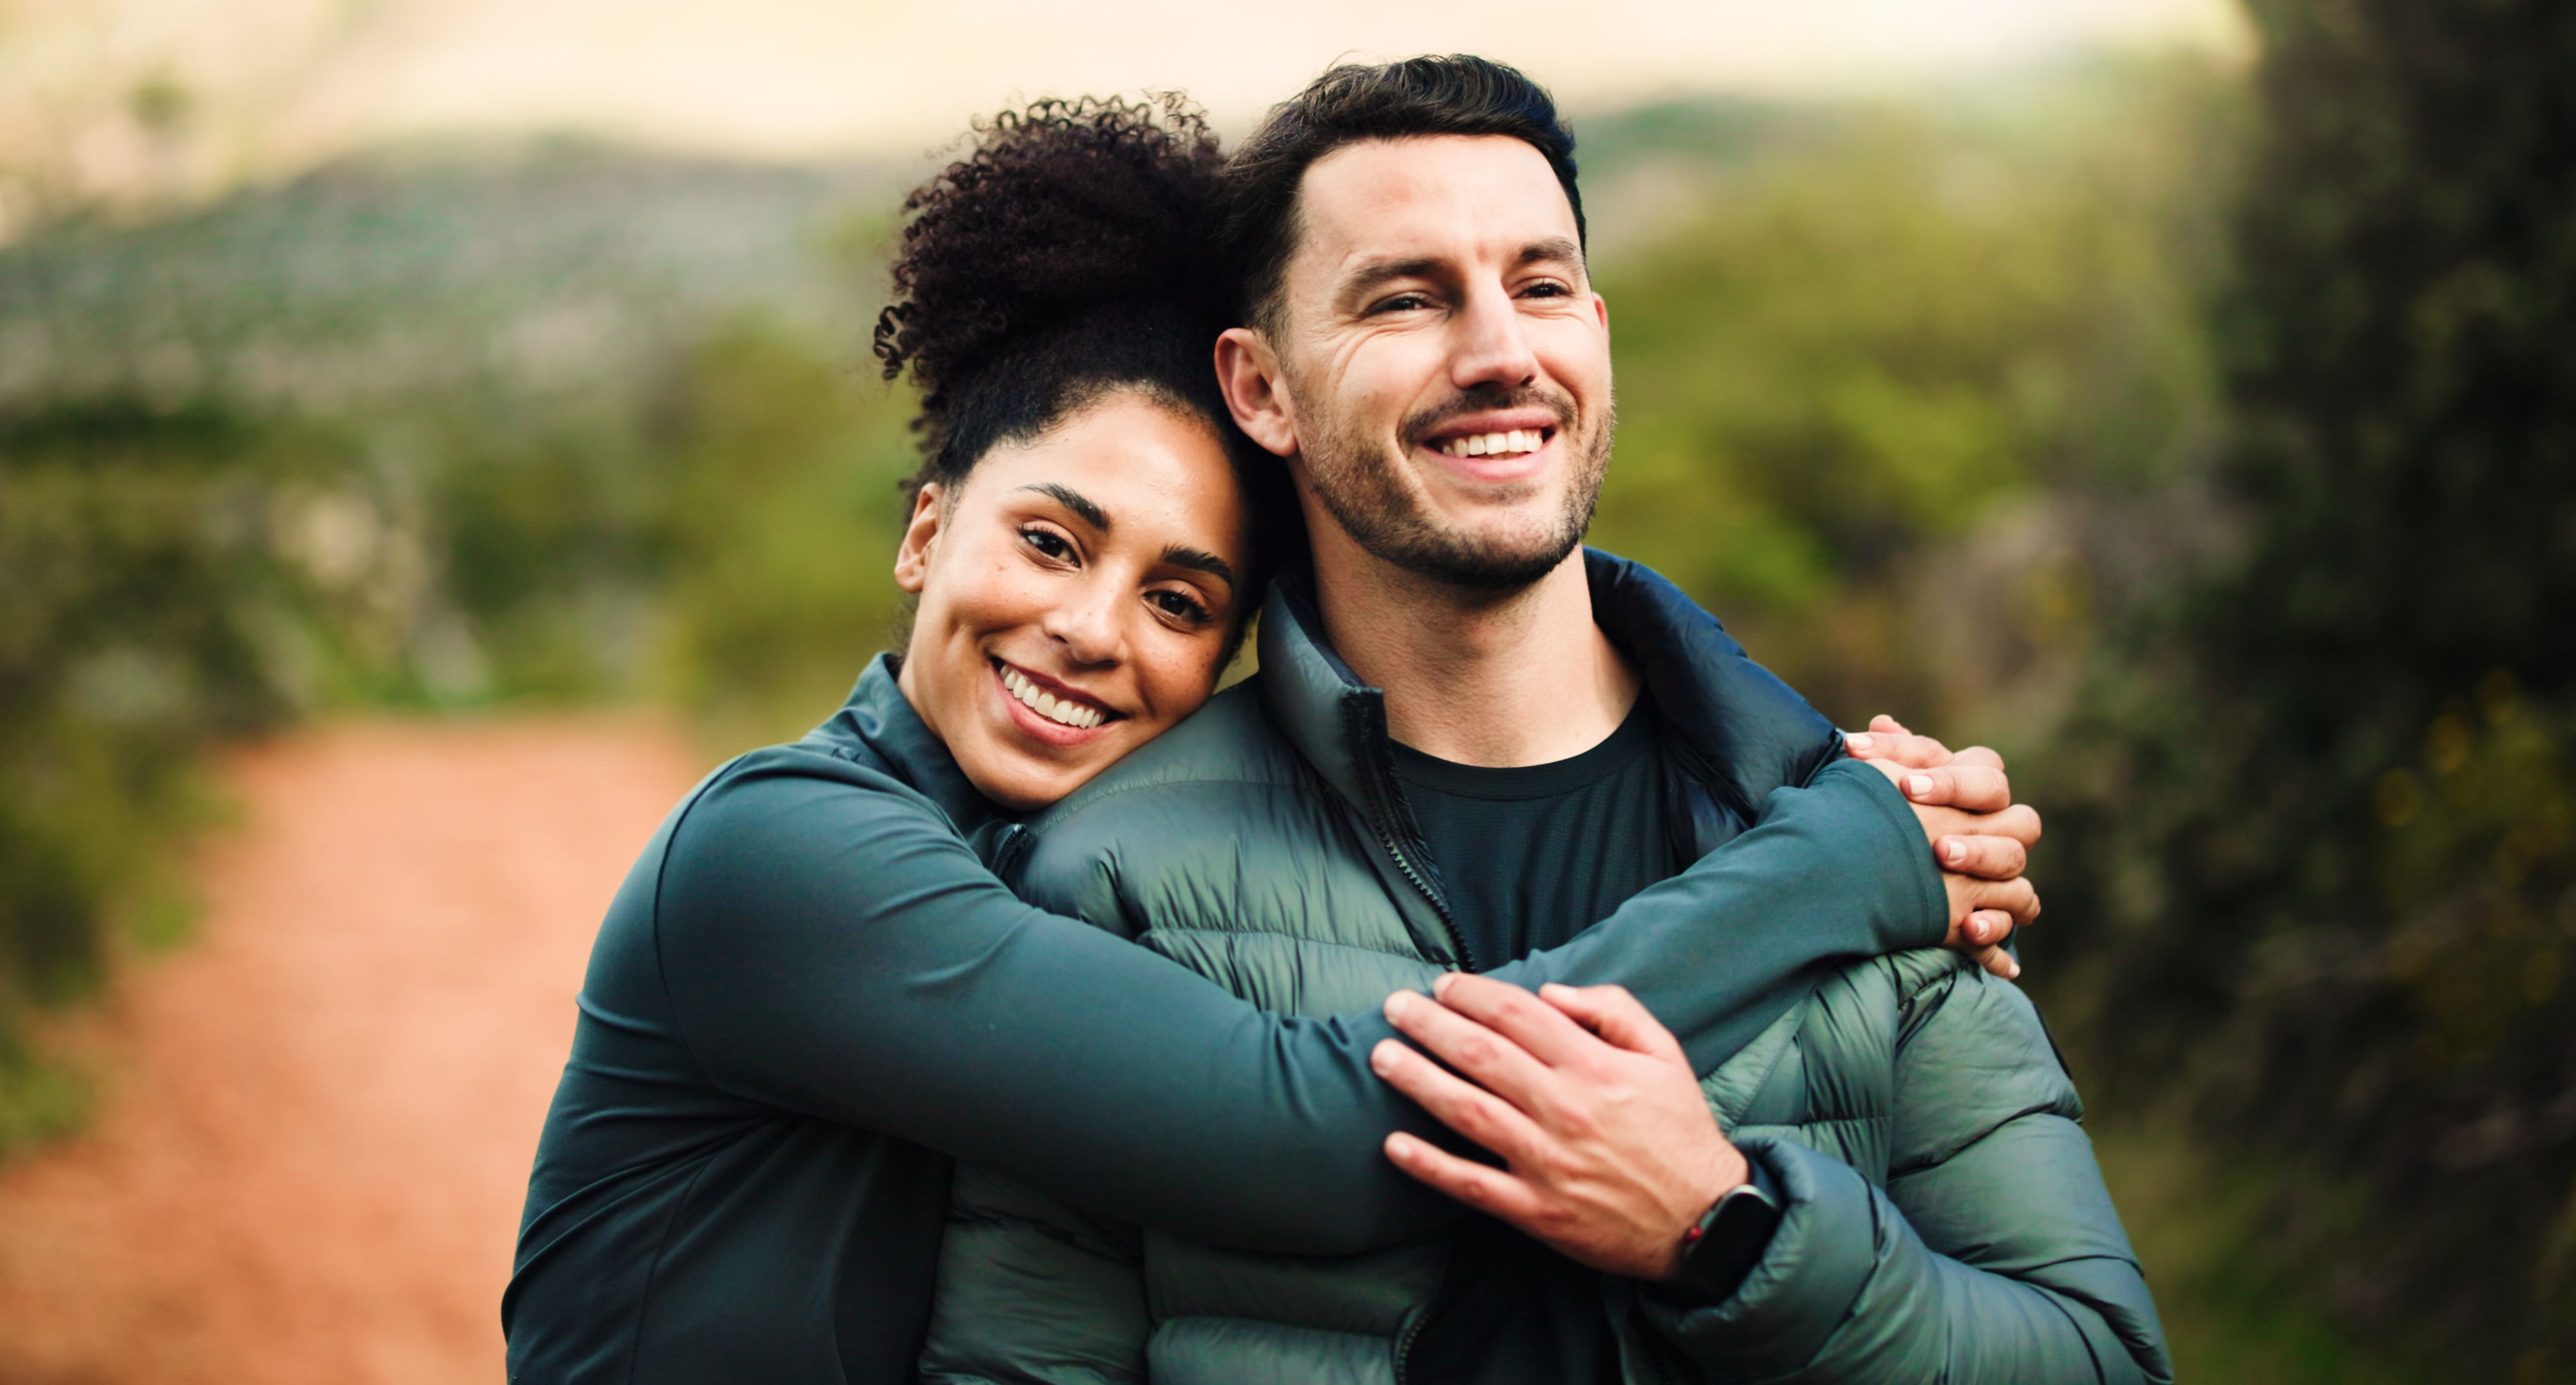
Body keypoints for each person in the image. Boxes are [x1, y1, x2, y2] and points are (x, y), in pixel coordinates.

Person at [501, 95, 2036, 1385]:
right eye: (1049, 541)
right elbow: (1306, 1136)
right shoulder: (780, 852)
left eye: (1178, 597)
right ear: (923, 530)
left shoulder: (1051, 863)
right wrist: (1842, 860)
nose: (1096, 631)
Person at [916, 58, 2171, 1385]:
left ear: (1594, 328)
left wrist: (1729, 1237)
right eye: (1405, 298)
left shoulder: (1877, 828)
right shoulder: (1110, 880)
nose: (1499, 352)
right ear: (1261, 389)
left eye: (1539, 285)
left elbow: (2097, 1360)